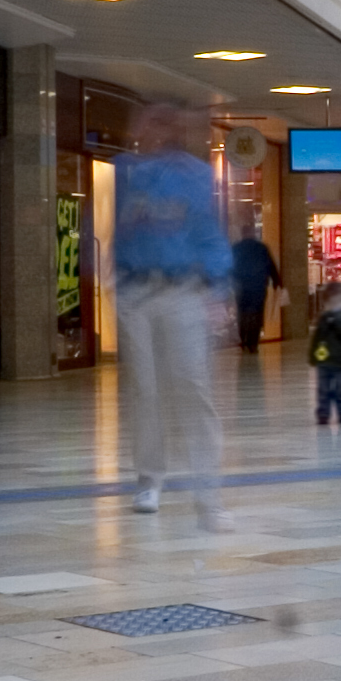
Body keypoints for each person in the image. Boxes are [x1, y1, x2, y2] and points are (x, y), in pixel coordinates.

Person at [109, 100, 231, 523]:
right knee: (145, 389)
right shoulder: (126, 171)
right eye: (145, 124)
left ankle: (207, 492)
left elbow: (209, 231)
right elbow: (112, 226)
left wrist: (216, 285)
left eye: (161, 123)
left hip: (182, 289)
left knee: (193, 387)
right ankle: (149, 479)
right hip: (136, 291)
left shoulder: (196, 176)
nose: (150, 131)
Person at [307, 280, 341, 424]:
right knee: (323, 390)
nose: (334, 307)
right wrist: (312, 355)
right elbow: (317, 338)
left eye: (338, 302)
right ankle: (323, 413)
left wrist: (335, 320)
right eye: (331, 303)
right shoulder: (324, 318)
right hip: (324, 361)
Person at [229, 221, 281, 353]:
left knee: (242, 313)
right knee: (257, 314)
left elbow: (230, 267)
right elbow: (270, 265)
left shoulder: (236, 248)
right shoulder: (261, 248)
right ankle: (253, 342)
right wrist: (277, 281)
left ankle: (244, 339)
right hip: (258, 287)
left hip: (241, 287)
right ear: (253, 233)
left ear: (242, 234)